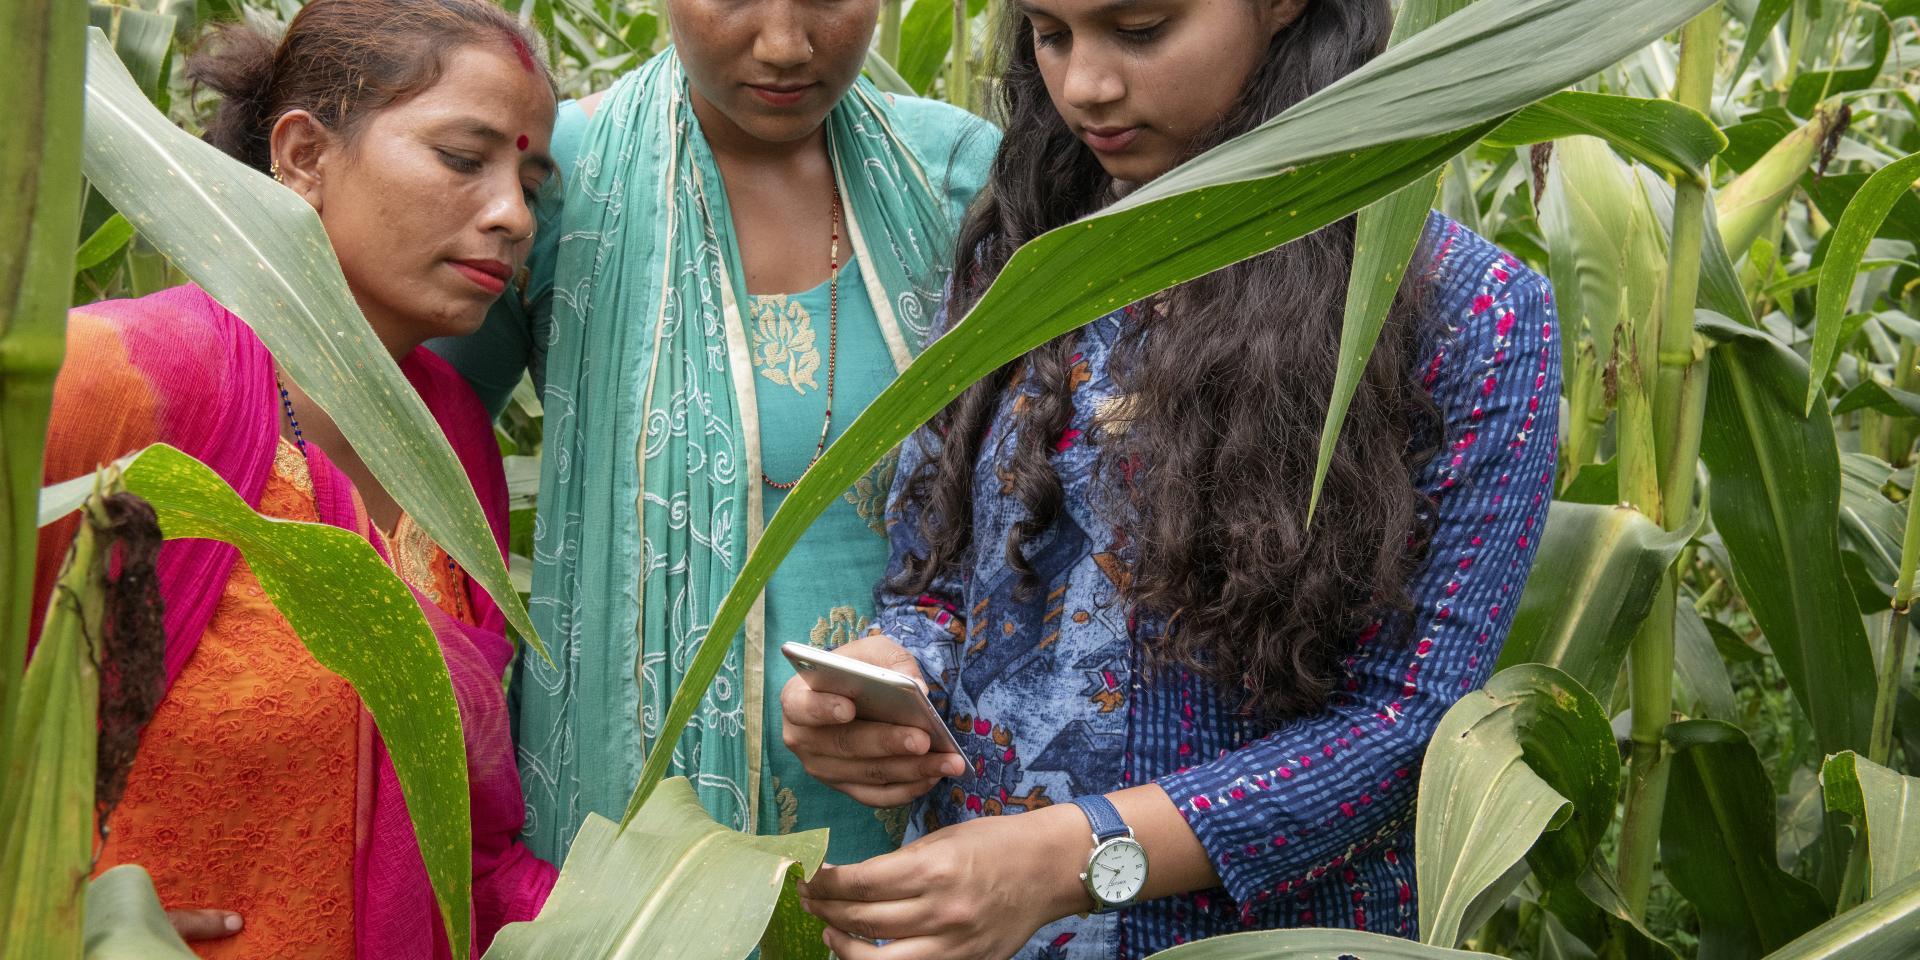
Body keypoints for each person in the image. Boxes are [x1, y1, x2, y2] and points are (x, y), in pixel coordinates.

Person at [778, 0, 1560, 956]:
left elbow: (1414, 728)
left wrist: (1067, 859)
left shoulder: (1467, 316)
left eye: (1141, 29)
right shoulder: (1027, 260)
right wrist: (889, 678)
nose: (1084, 86)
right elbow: (944, 583)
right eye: (1050, 34)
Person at [31, 2, 560, 955]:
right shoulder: (123, 381)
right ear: (305, 155)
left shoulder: (448, 444)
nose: (513, 215)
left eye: (531, 178)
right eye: (462, 158)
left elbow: (469, 850)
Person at [429, 0, 997, 867]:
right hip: (638, 830)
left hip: (925, 820)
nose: (783, 45)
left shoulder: (957, 177)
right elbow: (414, 460)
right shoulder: (553, 179)